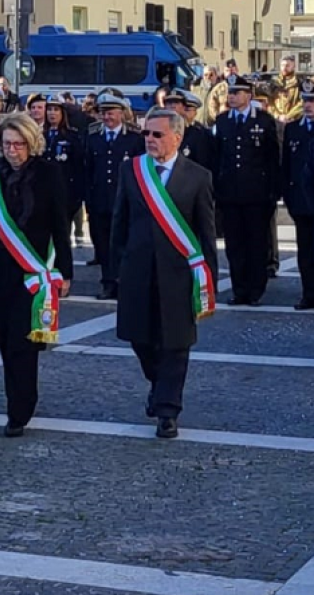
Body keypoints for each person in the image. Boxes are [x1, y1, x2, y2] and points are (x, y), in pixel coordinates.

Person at [0, 113, 72, 437]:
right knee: (0, 336)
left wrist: (64, 271)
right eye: (7, 144)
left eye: (19, 144)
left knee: (22, 343)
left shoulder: (49, 173)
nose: (12, 151)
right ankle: (17, 397)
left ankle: (19, 408)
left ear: (31, 143)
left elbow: (60, 224)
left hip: (32, 271)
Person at [112, 109, 217, 439]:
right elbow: (120, 220)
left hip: (179, 274)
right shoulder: (132, 170)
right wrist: (115, 267)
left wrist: (208, 278)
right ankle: (159, 386)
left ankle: (168, 410)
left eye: (157, 135)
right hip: (138, 270)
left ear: (177, 137)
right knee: (140, 339)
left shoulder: (198, 177)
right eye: (146, 134)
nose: (150, 140)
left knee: (176, 343)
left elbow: (206, 230)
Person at [212, 76, 280, 306]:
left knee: (256, 243)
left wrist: (273, 191)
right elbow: (216, 158)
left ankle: (255, 289)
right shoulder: (222, 122)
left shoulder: (263, 120)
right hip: (230, 194)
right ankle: (239, 288)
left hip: (256, 194)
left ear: (248, 95)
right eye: (230, 92)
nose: (232, 97)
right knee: (235, 245)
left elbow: (272, 159)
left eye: (237, 93)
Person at [84, 92, 144, 299]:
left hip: (125, 201)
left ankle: (123, 281)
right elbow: (88, 170)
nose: (107, 117)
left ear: (121, 113)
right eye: (103, 113)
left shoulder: (134, 139)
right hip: (100, 200)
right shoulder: (93, 138)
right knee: (103, 245)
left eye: (111, 113)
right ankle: (108, 282)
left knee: (124, 244)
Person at [283, 86, 314, 310]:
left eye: (312, 101)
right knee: (305, 251)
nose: (308, 105)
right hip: (302, 203)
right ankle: (309, 294)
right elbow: (287, 167)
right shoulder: (293, 129)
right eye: (306, 100)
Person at [42, 95, 86, 239]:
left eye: (56, 110)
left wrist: (77, 195)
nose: (52, 113)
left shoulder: (71, 137)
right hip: (44, 192)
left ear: (63, 113)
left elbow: (79, 166)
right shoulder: (40, 136)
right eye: (49, 110)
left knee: (62, 235)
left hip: (64, 193)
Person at [164, 89, 213, 170]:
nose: (173, 106)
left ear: (183, 107)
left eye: (176, 103)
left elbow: (203, 166)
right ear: (164, 107)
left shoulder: (196, 135)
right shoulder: (156, 133)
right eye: (169, 103)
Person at [268, 56, 303, 123]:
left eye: (287, 65)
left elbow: (302, 102)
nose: (284, 68)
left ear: (293, 66)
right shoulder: (274, 83)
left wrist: (288, 116)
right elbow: (269, 101)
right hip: (276, 121)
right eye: (282, 65)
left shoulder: (299, 83)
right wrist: (277, 116)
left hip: (294, 121)